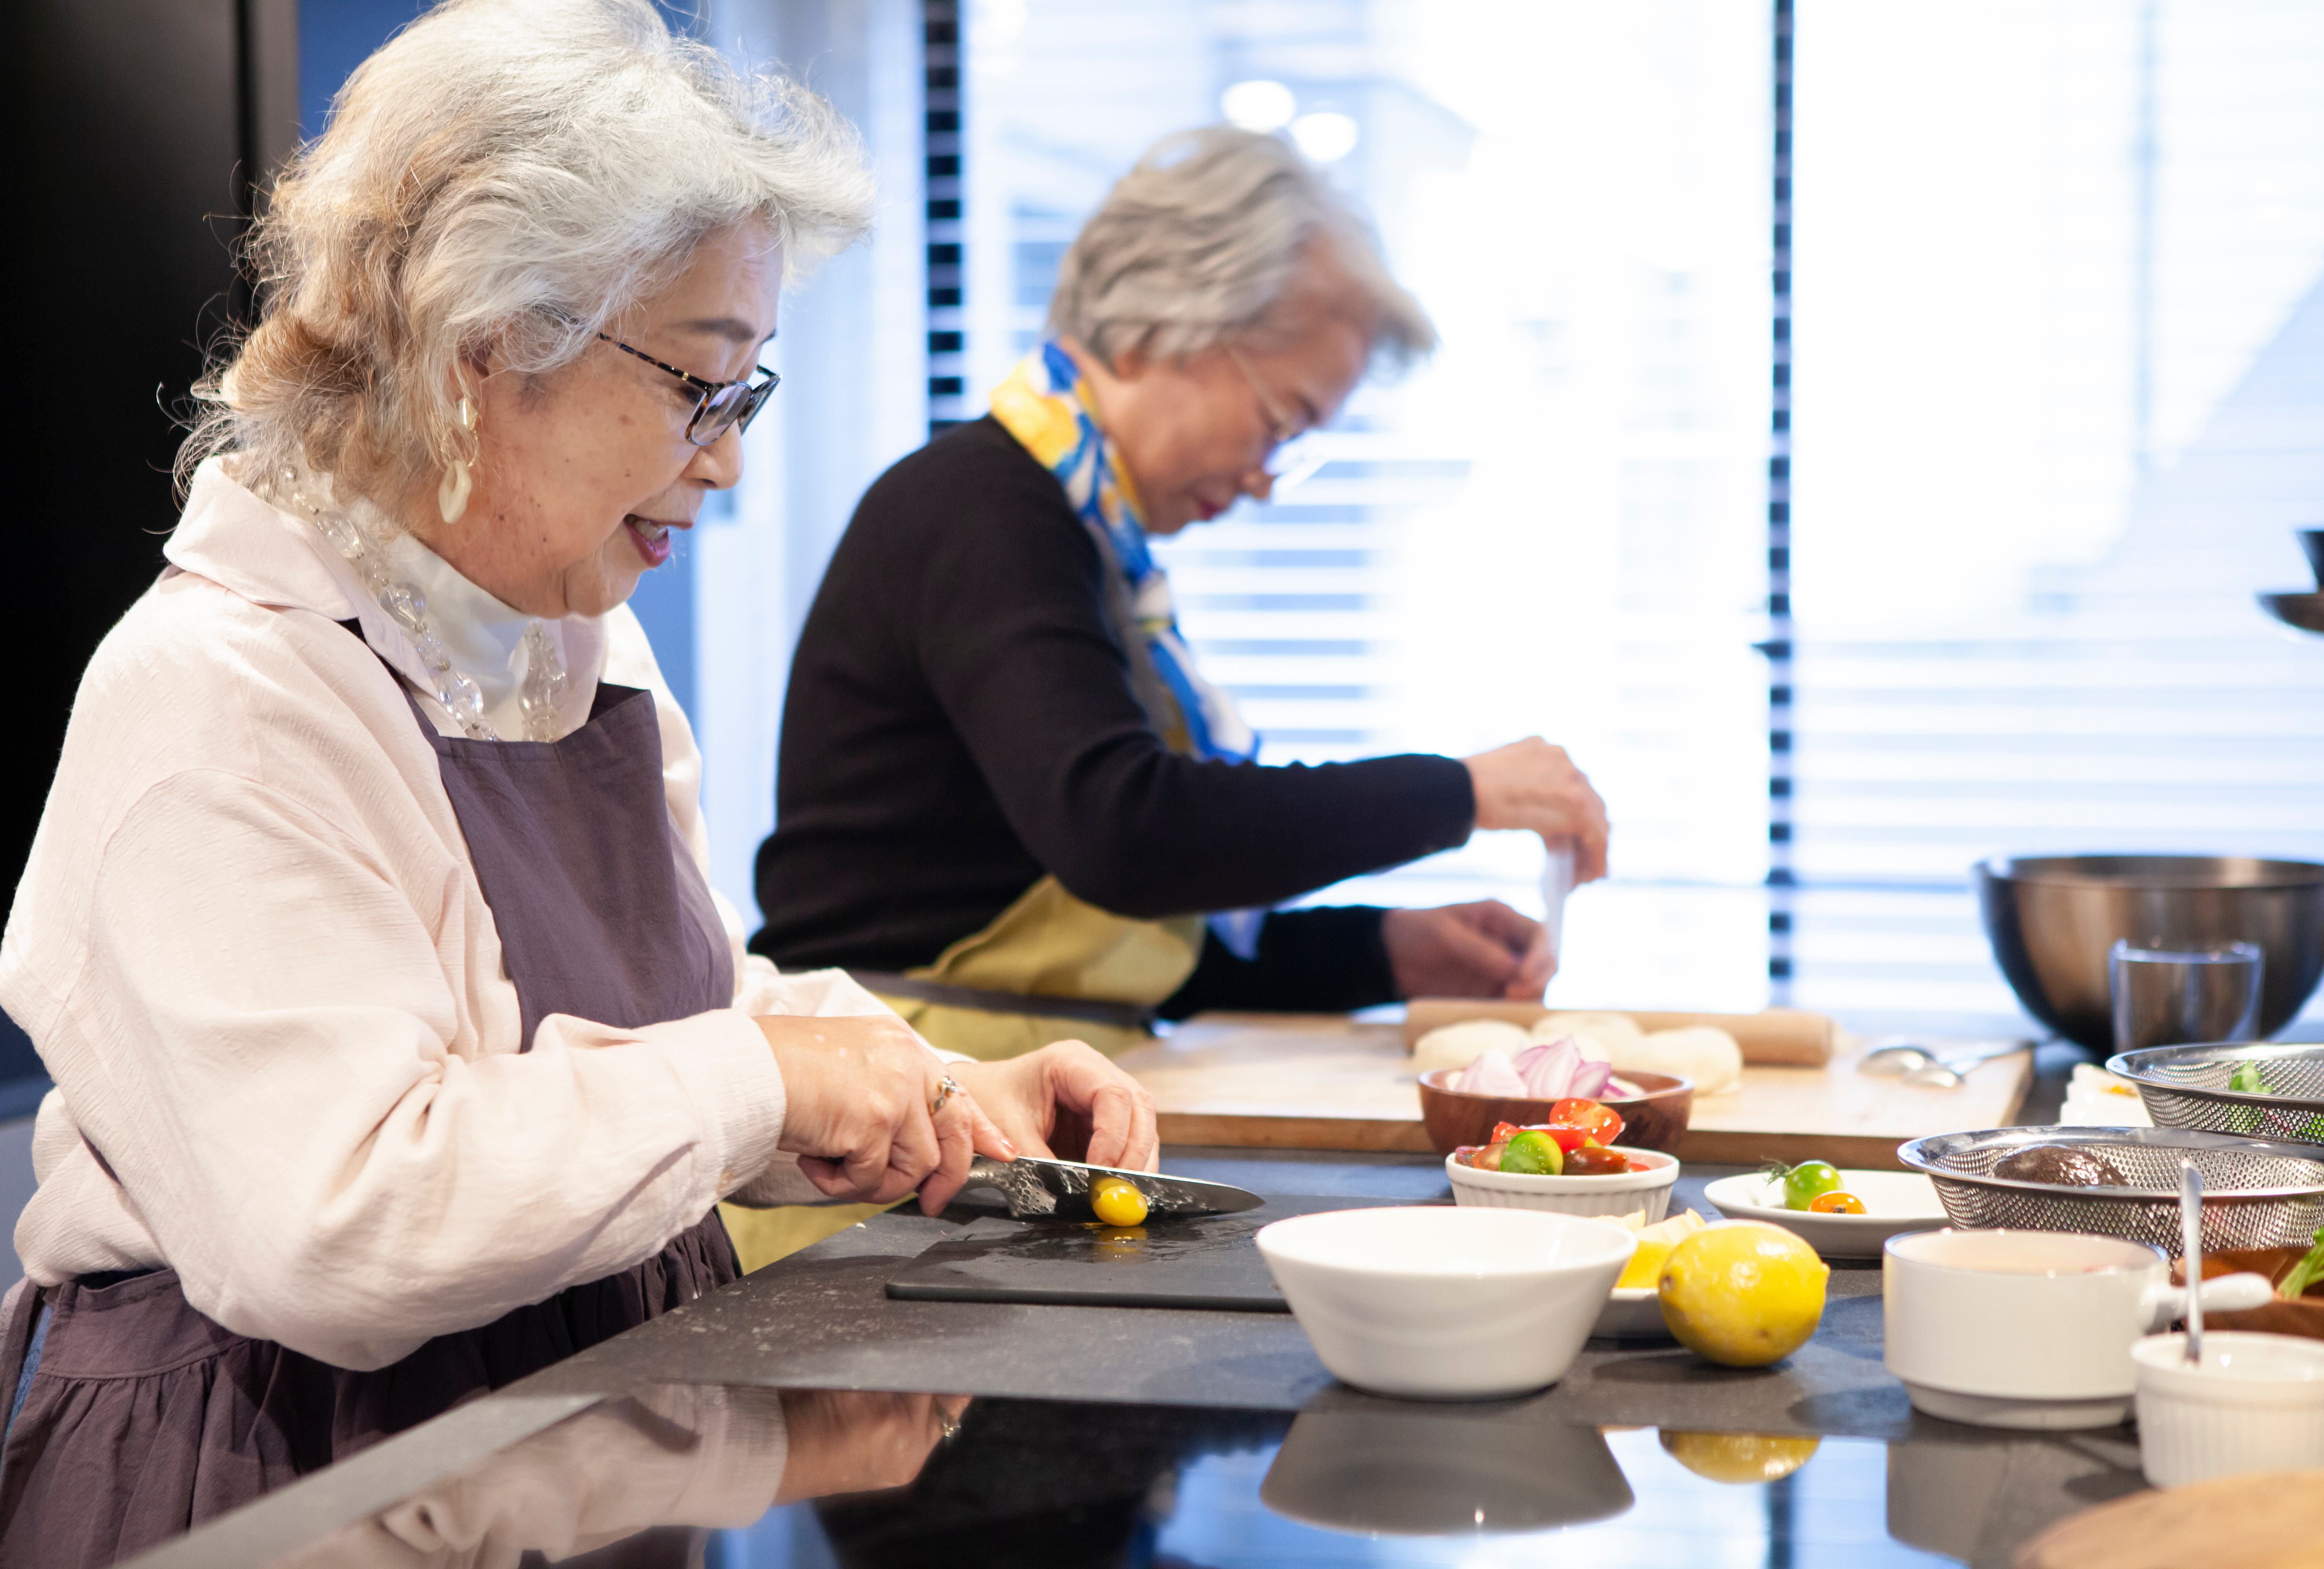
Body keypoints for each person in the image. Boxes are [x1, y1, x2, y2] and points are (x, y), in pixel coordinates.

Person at [0, 3, 1151, 1556]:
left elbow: (645, 1035)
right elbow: (339, 1227)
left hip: (583, 1424)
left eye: (748, 395)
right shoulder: (222, 696)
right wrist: (768, 1080)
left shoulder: (570, 643)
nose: (728, 458)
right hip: (293, 1472)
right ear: (483, 349)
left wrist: (923, 1088)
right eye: (698, 383)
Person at [750, 127, 1612, 1064]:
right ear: (1171, 326)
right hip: (882, 1101)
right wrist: (1460, 792)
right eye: (1282, 421)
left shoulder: (1089, 538)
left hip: (980, 1061)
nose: (1269, 479)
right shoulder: (985, 508)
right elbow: (1123, 835)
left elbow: (1131, 950)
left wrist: (1382, 949)